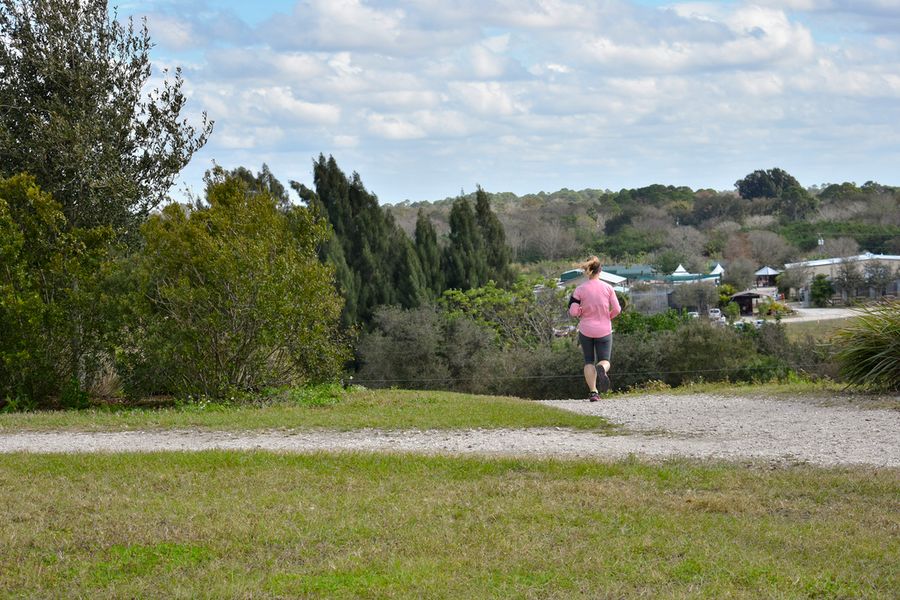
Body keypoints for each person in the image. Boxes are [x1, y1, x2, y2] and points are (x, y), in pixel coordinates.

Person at [568, 256, 621, 401]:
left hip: (586, 329)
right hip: (604, 329)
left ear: (587, 271)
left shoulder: (579, 290)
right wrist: (607, 317)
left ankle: (593, 392)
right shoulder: (608, 288)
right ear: (600, 271)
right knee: (605, 360)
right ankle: (602, 368)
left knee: (588, 361)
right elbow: (617, 309)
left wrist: (580, 312)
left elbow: (573, 312)